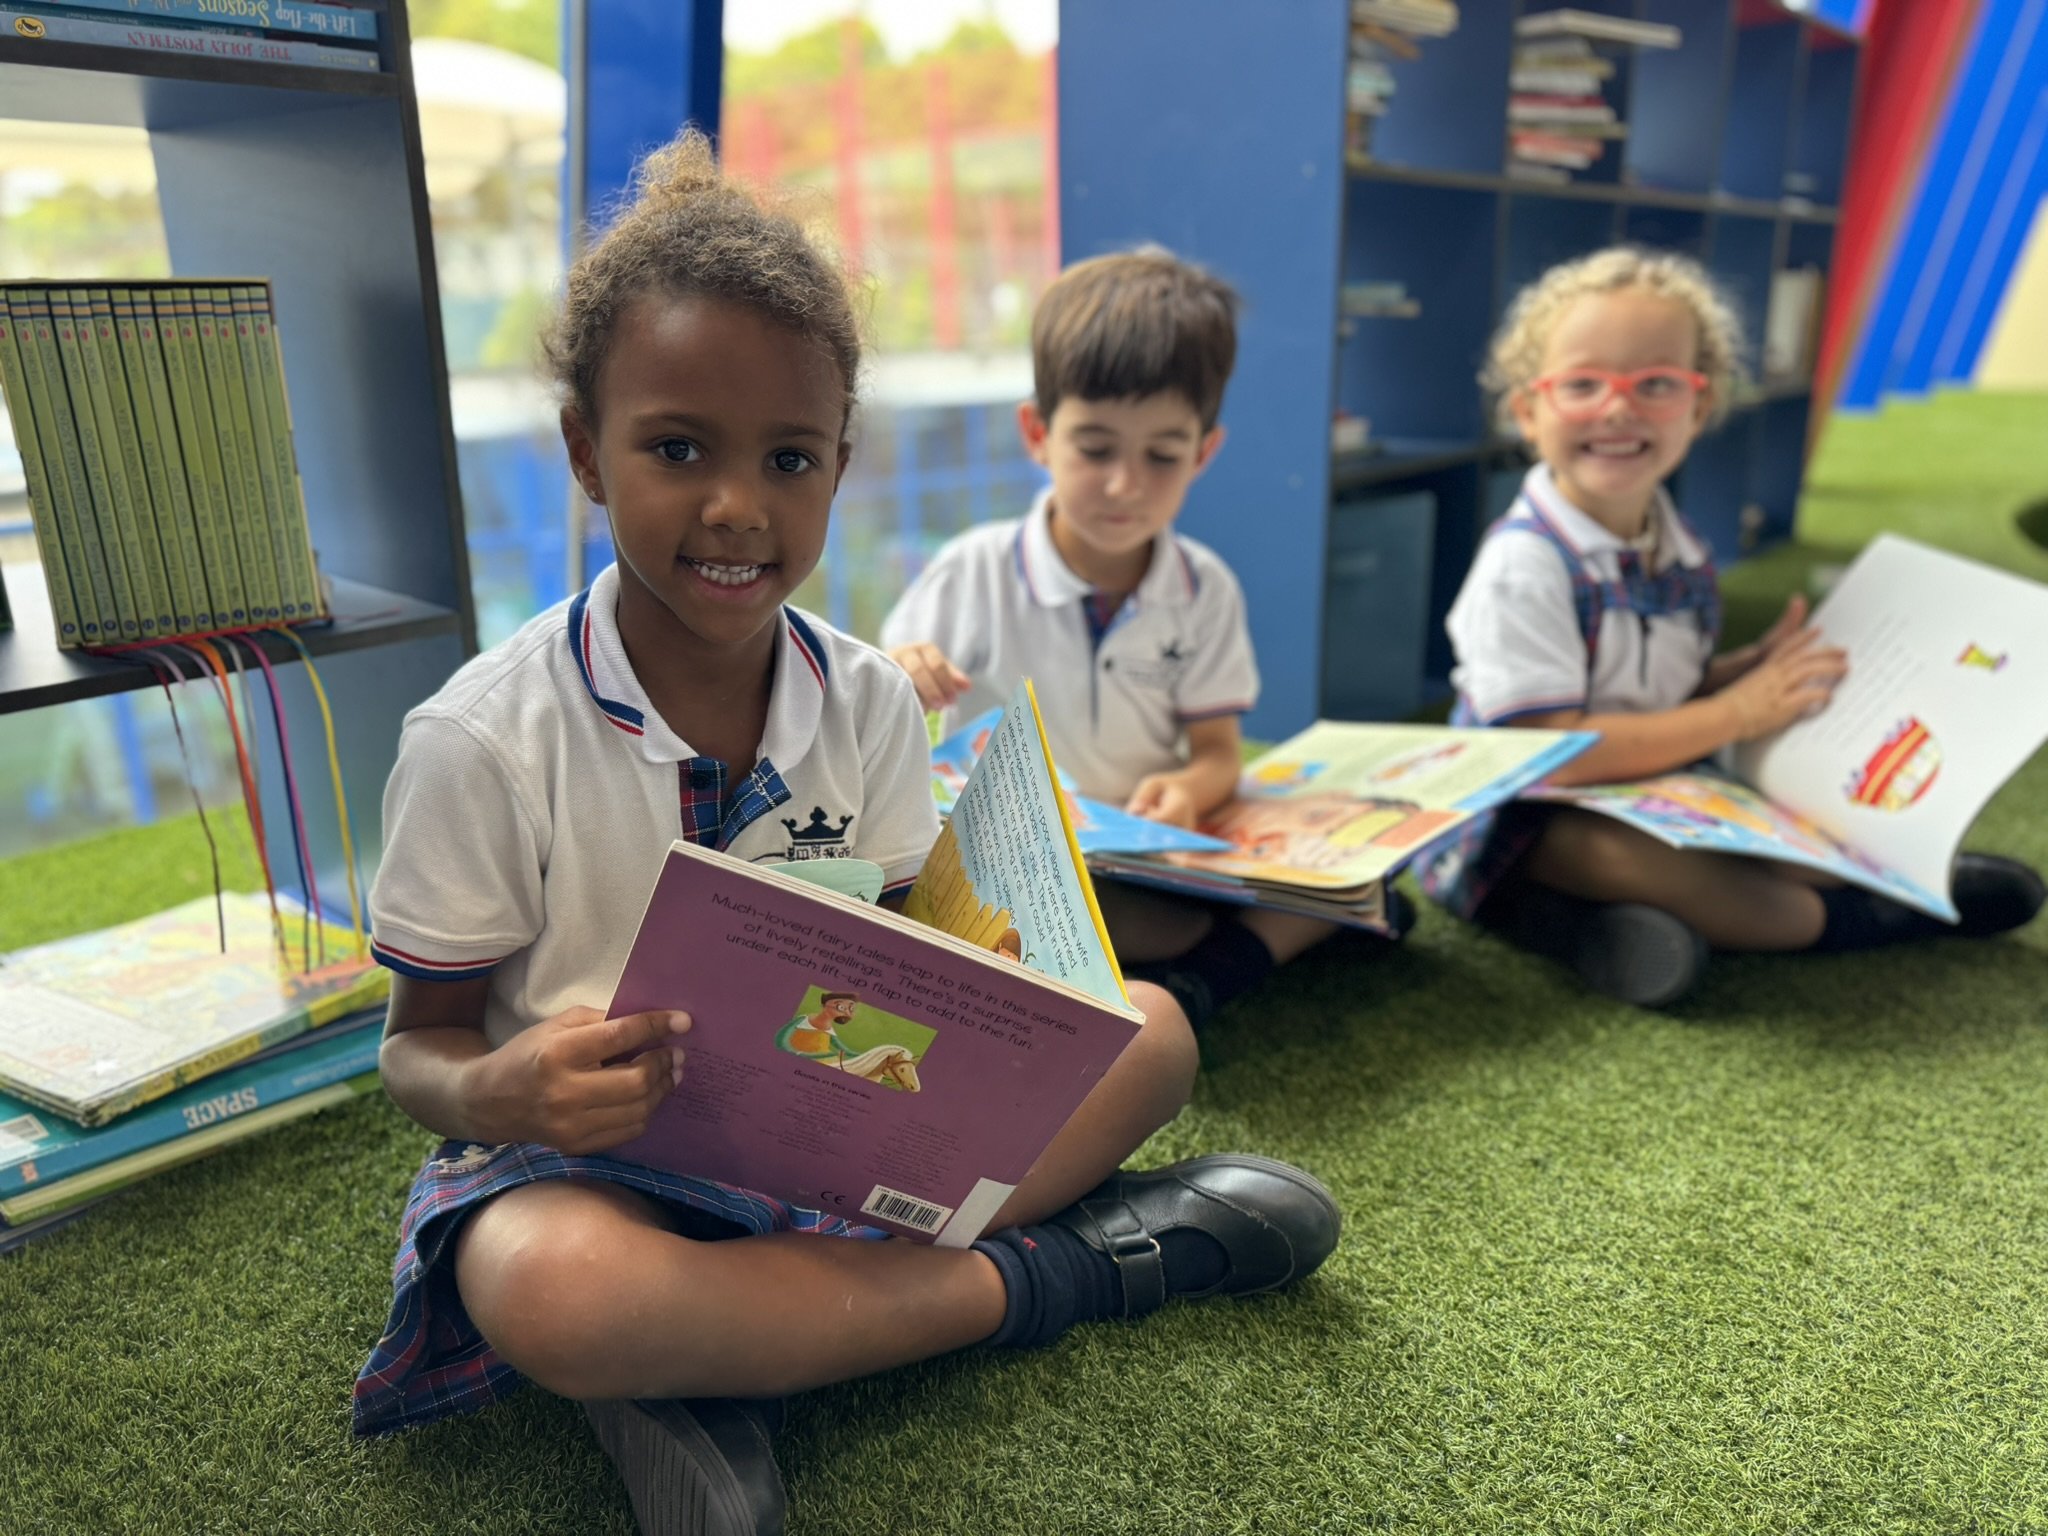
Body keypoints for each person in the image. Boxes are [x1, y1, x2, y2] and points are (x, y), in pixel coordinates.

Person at [351, 131, 1340, 1536]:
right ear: (585, 451)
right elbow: (419, 1050)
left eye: (789, 458)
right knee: (556, 1292)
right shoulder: (482, 741)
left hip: (836, 1134)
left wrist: (986, 994)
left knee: (1155, 1032)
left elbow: (890, 962)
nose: (737, 506)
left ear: (838, 466)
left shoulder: (865, 697)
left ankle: (724, 1353)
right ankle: (1072, 1270)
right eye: (676, 448)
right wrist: (504, 1093)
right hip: (589, 1165)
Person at [1415, 246, 2044, 1007]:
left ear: (1699, 405)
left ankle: (1626, 929)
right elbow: (1546, 751)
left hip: (1653, 782)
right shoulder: (1525, 566)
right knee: (1622, 858)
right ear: (1528, 411)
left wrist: (1743, 671)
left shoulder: (1677, 546)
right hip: (1528, 818)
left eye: (1655, 384)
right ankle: (1866, 919)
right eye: (1582, 384)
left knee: (1796, 846)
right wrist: (1736, 712)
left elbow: (1656, 692)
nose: (1617, 408)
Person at [881, 247, 1353, 1032]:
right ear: (1038, 433)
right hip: (1013, 871)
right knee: (973, 908)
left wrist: (1189, 790)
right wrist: (905, 670)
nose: (1125, 484)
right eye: (1095, 448)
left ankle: (1185, 972)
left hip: (1144, 863)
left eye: (1162, 455)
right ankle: (1210, 967)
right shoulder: (973, 572)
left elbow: (1218, 754)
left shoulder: (1204, 588)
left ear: (1204, 452)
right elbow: (885, 707)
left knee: (1342, 886)